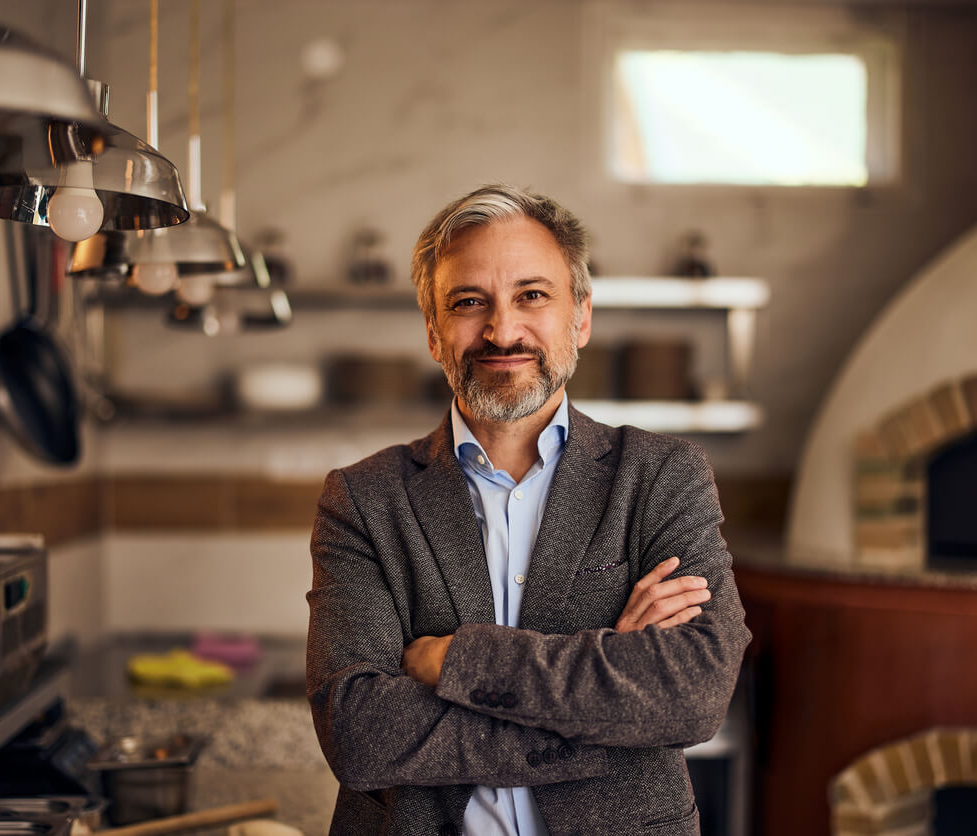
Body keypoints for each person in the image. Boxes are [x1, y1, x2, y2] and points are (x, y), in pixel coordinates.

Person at [307, 184, 750, 836]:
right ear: (433, 332)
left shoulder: (660, 476)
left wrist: (456, 660)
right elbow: (359, 733)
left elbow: (693, 692)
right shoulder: (364, 499)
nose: (502, 330)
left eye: (532, 295)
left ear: (582, 318)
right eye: (467, 303)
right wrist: (602, 707)